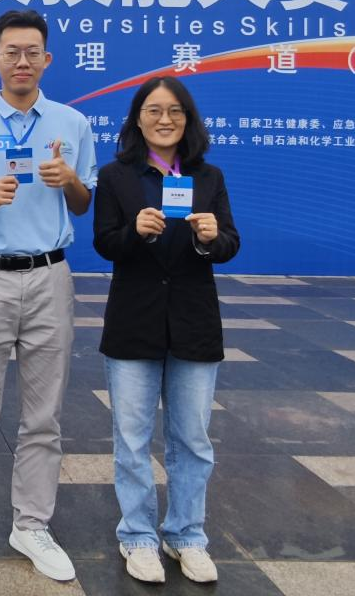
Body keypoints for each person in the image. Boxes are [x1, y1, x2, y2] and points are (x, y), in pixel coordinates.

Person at [0, 9, 97, 581]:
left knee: (43, 413)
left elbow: (84, 203)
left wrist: (69, 180)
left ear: (47, 59)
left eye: (32, 52)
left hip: (49, 275)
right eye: (11, 52)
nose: (22, 61)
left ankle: (32, 524)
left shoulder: (72, 123)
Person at [93, 77, 239, 585]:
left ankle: (186, 535)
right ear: (138, 119)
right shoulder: (116, 176)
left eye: (175, 111)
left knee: (192, 439)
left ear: (187, 119)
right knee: (132, 439)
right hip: (134, 320)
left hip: (193, 322)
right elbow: (105, 243)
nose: (164, 119)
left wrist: (210, 237)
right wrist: (134, 232)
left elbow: (230, 243)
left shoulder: (208, 176)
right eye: (154, 110)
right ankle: (137, 535)